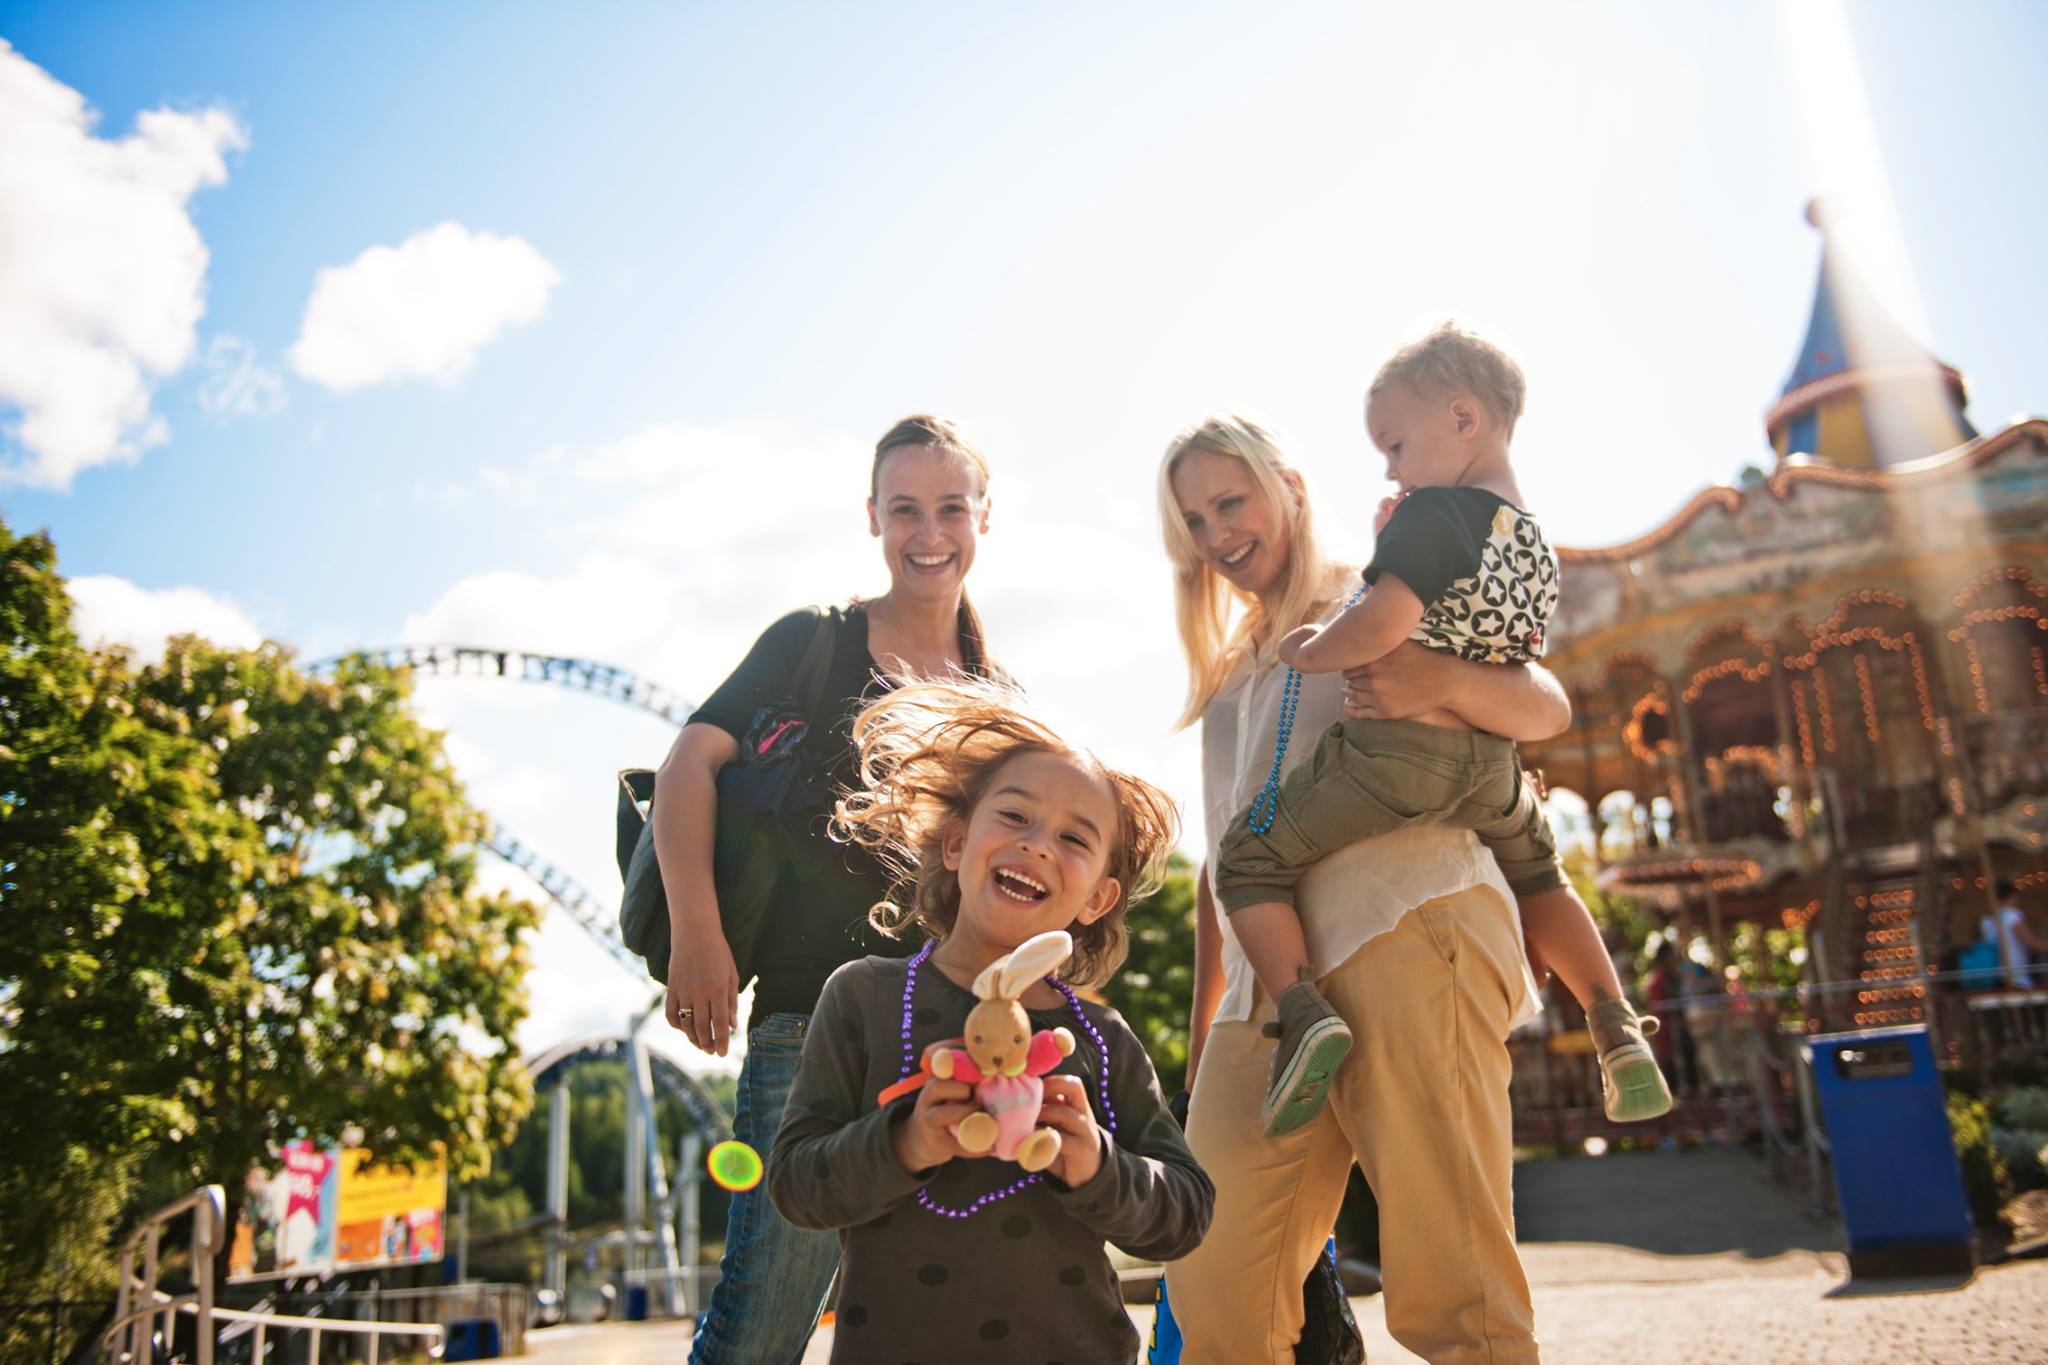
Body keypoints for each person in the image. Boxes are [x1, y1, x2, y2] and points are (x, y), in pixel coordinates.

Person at [1158, 412, 1561, 1363]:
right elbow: (1226, 860)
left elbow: (1547, 705)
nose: (1218, 535)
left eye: (1230, 501)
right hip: (1268, 999)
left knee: (1452, 1288)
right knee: (1215, 1290)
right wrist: (1203, 1035)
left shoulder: (1381, 596)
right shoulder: (1226, 676)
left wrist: (1436, 678)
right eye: (1195, 521)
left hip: (1408, 924)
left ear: (1287, 482)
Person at [1211, 322, 1667, 1134]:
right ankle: (1616, 1024)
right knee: (1544, 879)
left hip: (1396, 755)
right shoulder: (1533, 542)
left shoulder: (1433, 516)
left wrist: (1313, 647)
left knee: (1247, 859)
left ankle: (1302, 1011)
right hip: (1492, 769)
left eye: (1394, 444)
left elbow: (1386, 619)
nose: (1390, 466)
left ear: (1463, 419)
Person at [653, 415, 1001, 1363]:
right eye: (905, 510)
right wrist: (698, 933)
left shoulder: (998, 693)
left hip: (952, 1037)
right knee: (765, 1321)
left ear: (981, 517)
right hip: (811, 1030)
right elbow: (690, 761)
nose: (928, 531)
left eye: (949, 507)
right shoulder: (815, 641)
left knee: (932, 1326)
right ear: (874, 519)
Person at [769, 681, 1213, 1363]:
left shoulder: (1099, 1038)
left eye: (1073, 837)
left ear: (1097, 897)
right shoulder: (865, 997)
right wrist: (906, 1141)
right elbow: (797, 1185)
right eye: (1014, 816)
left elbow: (1185, 1212)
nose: (1037, 845)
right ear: (955, 842)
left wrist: (1096, 1161)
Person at [1983, 877, 2045, 989]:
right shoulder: (2012, 915)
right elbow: (2030, 942)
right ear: (2011, 896)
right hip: (2016, 976)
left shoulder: (1986, 920)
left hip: (1996, 974)